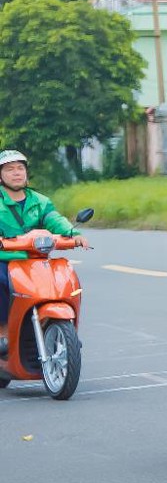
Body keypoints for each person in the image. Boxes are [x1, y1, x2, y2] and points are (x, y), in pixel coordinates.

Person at [0, 149, 89, 356]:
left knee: (64, 279)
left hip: (34, 260)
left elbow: (54, 219)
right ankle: (3, 331)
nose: (16, 173)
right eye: (10, 169)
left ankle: (62, 329)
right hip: (5, 260)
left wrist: (73, 233)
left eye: (20, 168)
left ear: (26, 173)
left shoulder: (40, 201)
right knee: (1, 281)